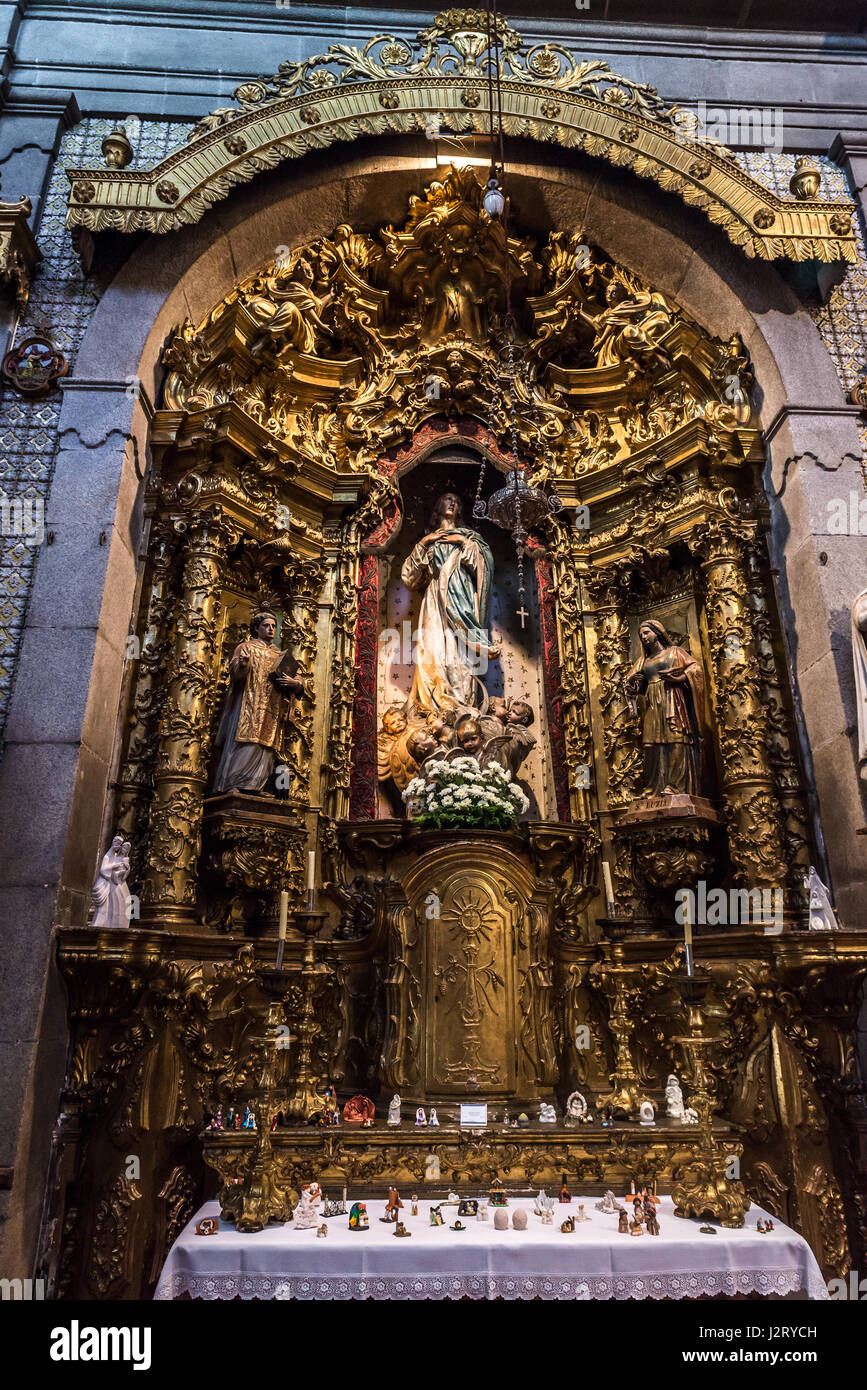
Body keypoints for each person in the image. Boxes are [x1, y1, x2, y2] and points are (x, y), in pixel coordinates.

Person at [401, 492, 499, 715]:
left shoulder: (470, 537)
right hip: (434, 602)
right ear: (437, 506)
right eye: (447, 498)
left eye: (457, 500)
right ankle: (434, 710)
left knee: (459, 657)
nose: (453, 502)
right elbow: (408, 577)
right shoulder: (428, 541)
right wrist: (425, 542)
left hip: (462, 603)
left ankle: (462, 708)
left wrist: (463, 542)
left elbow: (485, 567)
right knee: (433, 651)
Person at [212, 611, 304, 796]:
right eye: (266, 626)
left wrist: (295, 683)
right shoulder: (245, 647)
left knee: (266, 746)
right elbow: (235, 674)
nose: (271, 629)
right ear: (256, 628)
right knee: (246, 742)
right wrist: (243, 664)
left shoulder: (278, 654)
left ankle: (256, 787)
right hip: (248, 703)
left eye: (273, 626)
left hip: (271, 706)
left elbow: (298, 679)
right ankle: (233, 784)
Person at [625, 620, 709, 798]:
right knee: (650, 746)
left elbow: (696, 670)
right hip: (652, 705)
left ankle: (676, 787)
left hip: (673, 700)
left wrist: (678, 679)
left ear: (657, 632)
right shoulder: (643, 660)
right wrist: (633, 685)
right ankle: (653, 789)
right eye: (641, 634)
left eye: (646, 632)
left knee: (675, 741)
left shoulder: (675, 652)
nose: (643, 637)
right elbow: (631, 682)